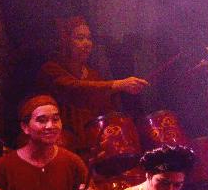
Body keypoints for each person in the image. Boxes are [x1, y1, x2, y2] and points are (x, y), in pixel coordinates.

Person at [37, 16, 149, 151]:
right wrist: (119, 84)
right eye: (80, 38)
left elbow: (106, 111)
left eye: (89, 38)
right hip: (59, 145)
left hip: (93, 146)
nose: (87, 43)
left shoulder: (93, 74)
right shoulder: (50, 69)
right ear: (65, 41)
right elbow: (75, 89)